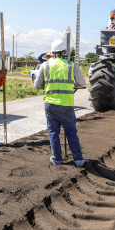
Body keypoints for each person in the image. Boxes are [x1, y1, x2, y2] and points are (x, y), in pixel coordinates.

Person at [34, 39, 86, 167]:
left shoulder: (45, 65)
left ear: (52, 52)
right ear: (64, 53)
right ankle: (78, 160)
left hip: (50, 105)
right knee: (71, 133)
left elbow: (37, 85)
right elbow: (83, 83)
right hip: (66, 105)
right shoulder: (71, 65)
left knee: (53, 133)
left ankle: (57, 159)